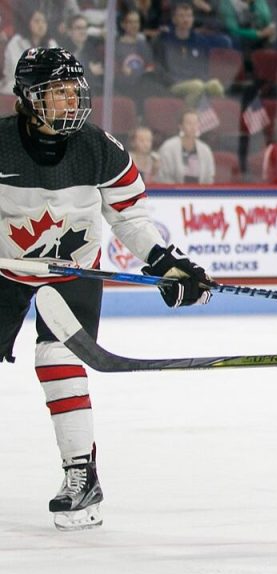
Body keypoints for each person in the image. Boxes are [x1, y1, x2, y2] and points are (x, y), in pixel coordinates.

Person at [0, 47, 213, 531]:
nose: (70, 100)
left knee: (57, 358)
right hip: (8, 271)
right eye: (57, 92)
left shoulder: (98, 147)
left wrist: (165, 263)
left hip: (74, 271)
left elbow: (130, 218)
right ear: (28, 98)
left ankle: (82, 475)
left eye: (73, 90)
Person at [153, 2, 225, 107]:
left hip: (196, 81)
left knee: (215, 85)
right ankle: (187, 115)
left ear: (193, 19)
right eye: (181, 16)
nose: (185, 19)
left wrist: (200, 79)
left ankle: (219, 116)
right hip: (173, 84)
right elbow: (159, 68)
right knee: (196, 86)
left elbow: (204, 67)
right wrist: (173, 80)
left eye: (189, 16)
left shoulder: (200, 41)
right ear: (174, 19)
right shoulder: (164, 41)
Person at [1, 9, 58, 93]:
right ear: (28, 23)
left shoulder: (51, 44)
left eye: (44, 21)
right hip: (17, 86)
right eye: (37, 21)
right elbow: (15, 70)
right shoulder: (16, 42)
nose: (41, 25)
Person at [155, 109, 216, 184]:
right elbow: (163, 177)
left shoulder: (205, 150)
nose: (193, 127)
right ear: (181, 126)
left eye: (195, 123)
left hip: (199, 191)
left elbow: (209, 178)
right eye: (189, 123)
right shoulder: (168, 148)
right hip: (173, 190)